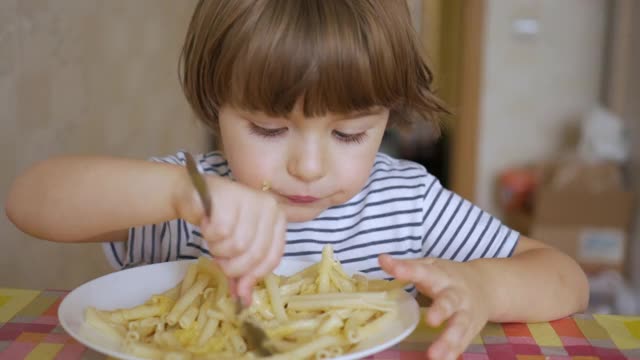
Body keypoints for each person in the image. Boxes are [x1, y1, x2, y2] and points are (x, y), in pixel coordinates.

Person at [5, 1, 589, 359]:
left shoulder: (407, 203)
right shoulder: (191, 200)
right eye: (267, 128)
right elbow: (29, 201)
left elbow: (565, 277)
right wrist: (177, 194)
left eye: (348, 135)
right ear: (216, 108)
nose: (309, 168)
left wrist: (484, 288)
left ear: (385, 118)